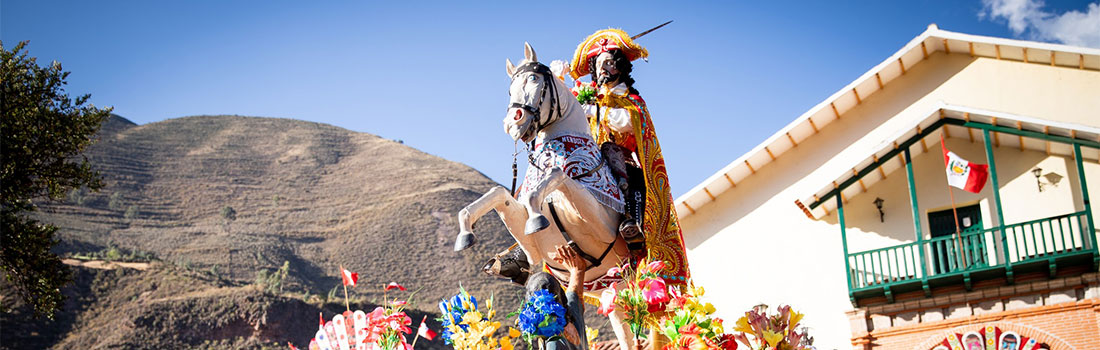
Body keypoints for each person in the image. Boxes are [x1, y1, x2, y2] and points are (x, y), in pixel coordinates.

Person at [568, 28, 690, 286]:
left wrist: (593, 110)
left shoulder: (630, 99)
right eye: (600, 64)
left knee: (612, 154)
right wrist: (558, 78)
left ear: (620, 67)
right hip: (590, 161)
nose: (604, 69)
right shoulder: (589, 94)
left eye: (610, 63)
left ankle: (631, 223)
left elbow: (627, 122)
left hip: (624, 159)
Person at [525, 245, 588, 350]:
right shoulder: (571, 318)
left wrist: (577, 272)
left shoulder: (550, 342)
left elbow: (574, 296)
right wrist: (577, 271)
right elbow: (574, 295)